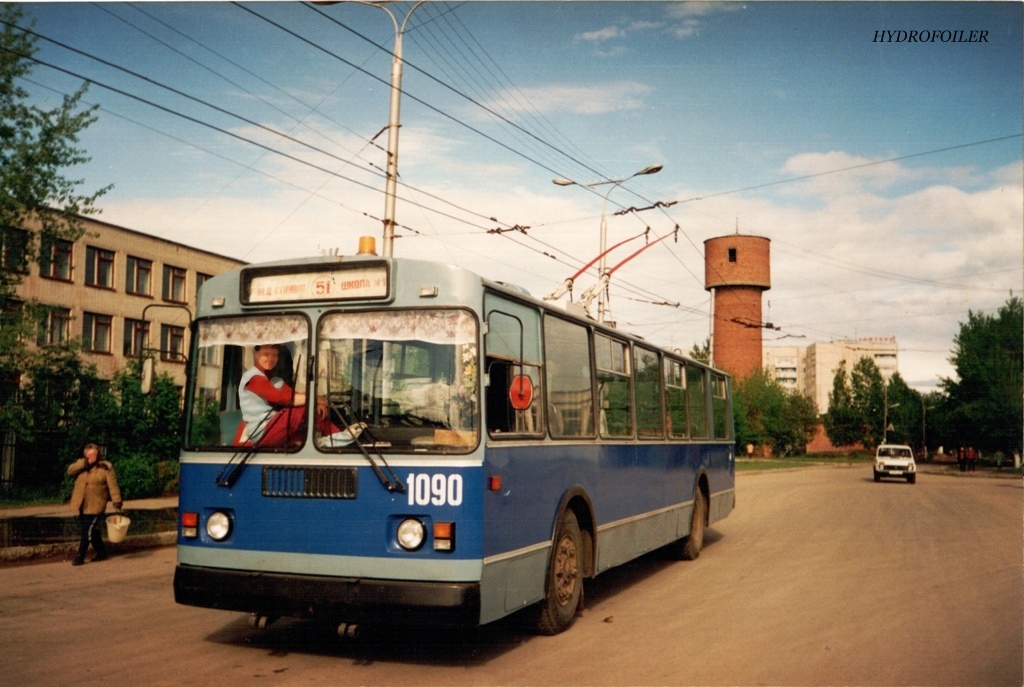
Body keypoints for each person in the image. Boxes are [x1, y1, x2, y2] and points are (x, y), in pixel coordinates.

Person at [235, 344, 362, 448]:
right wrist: (315, 400)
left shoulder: (275, 381)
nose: (270, 359)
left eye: (274, 355)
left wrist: (317, 401)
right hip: (260, 430)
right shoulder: (252, 378)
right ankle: (340, 439)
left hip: (274, 426)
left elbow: (294, 395)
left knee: (313, 413)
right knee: (303, 410)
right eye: (266, 354)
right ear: (255, 354)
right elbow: (284, 399)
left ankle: (342, 439)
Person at [67, 443, 122, 566]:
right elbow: (69, 471)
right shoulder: (81, 465)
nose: (90, 457)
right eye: (88, 455)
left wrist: (117, 502)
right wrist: (84, 463)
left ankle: (80, 556)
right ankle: (102, 552)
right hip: (83, 504)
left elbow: (113, 487)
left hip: (96, 505)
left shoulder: (105, 467)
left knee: (87, 530)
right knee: (91, 531)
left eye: (93, 455)